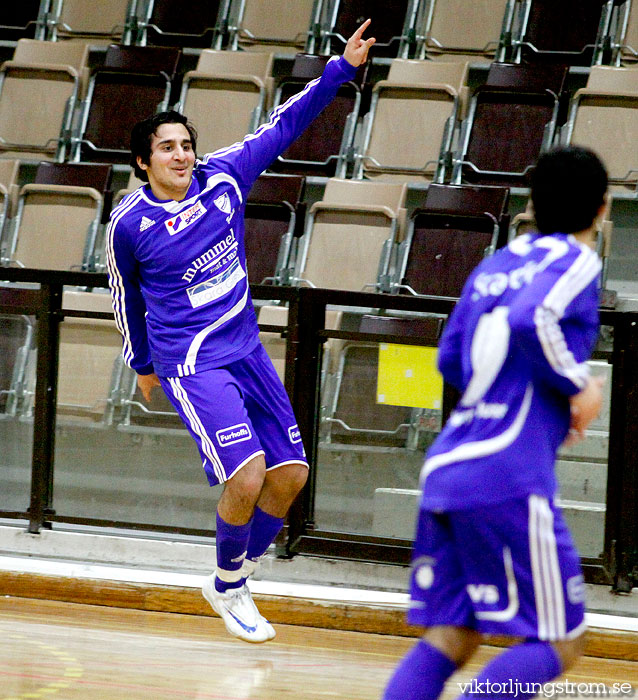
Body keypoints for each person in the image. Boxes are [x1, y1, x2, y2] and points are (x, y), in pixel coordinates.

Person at [106, 21, 375, 644]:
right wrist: (142, 364)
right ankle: (231, 588)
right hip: (190, 361)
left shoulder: (225, 178)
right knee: (247, 474)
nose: (181, 155)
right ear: (144, 162)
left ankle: (233, 577)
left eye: (185, 144)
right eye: (167, 148)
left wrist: (339, 70)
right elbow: (127, 296)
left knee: (290, 478)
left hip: (245, 348)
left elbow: (282, 125)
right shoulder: (131, 224)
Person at [382, 146, 608, 699]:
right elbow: (534, 317)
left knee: (455, 634)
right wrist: (577, 384)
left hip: (450, 463)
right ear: (603, 209)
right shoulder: (577, 259)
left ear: (532, 203)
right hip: (506, 473)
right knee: (561, 640)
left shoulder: (497, 263)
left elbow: (452, 360)